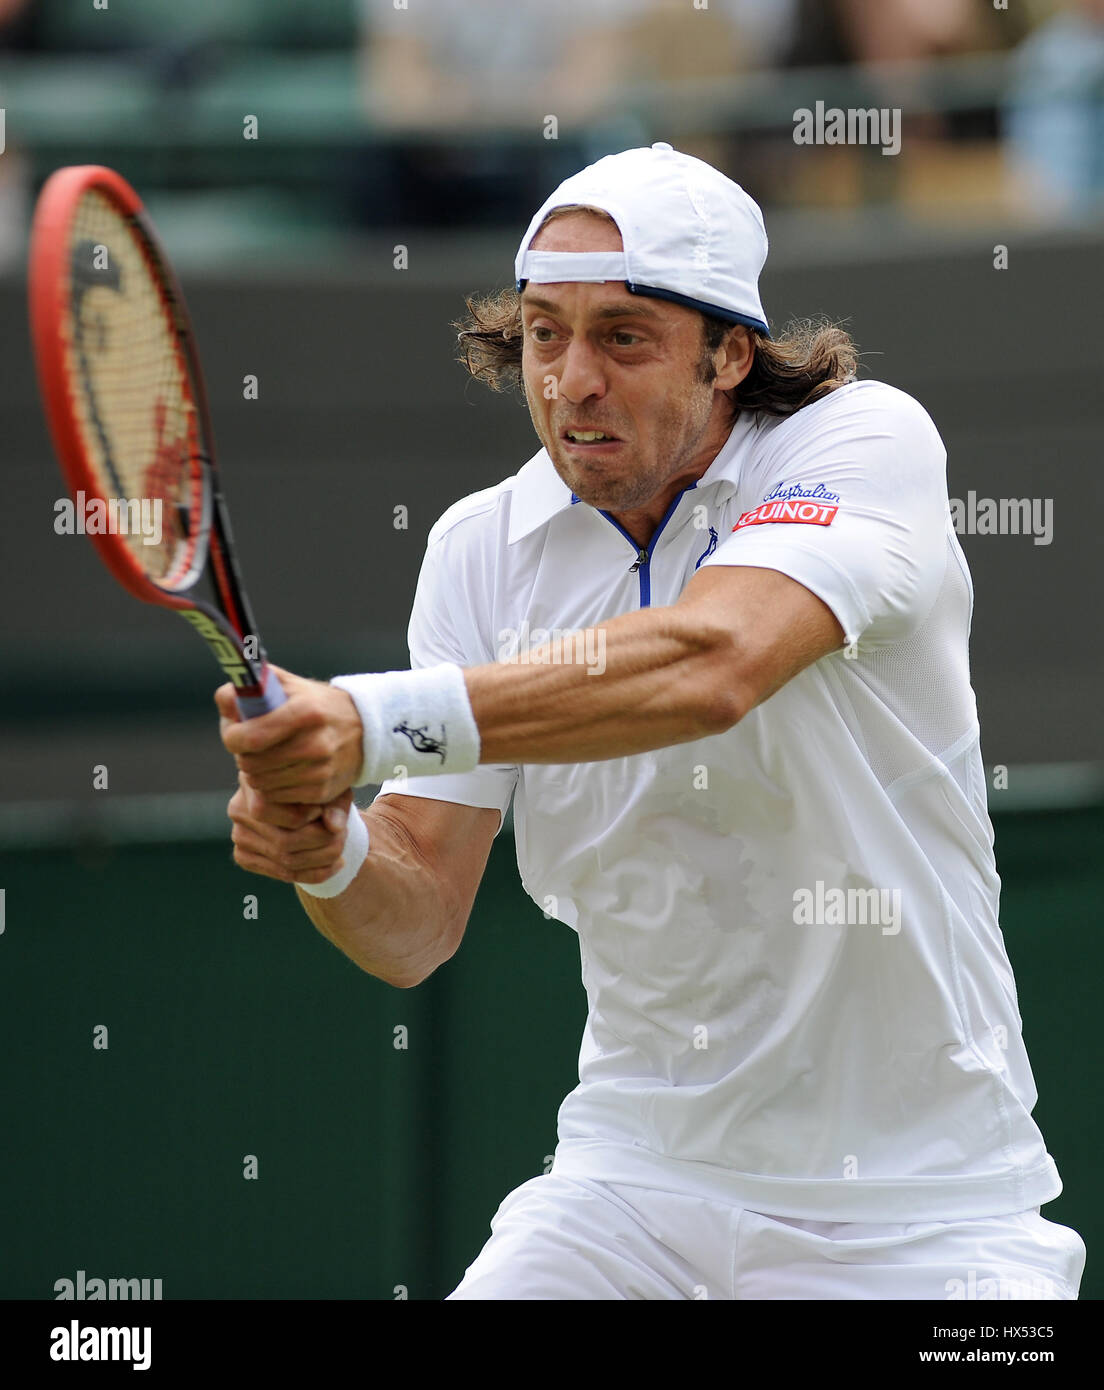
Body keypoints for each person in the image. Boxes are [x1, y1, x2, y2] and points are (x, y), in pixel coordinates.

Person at [219, 143, 1086, 1300]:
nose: (571, 379)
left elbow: (712, 660)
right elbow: (417, 919)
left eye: (624, 336)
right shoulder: (480, 551)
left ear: (732, 353)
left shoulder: (865, 442)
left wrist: (371, 725)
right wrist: (333, 849)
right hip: (630, 1189)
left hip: (928, 1222)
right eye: (542, 332)